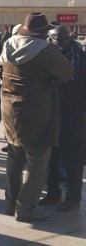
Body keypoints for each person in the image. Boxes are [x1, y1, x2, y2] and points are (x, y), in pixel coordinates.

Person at [0, 13, 74, 222]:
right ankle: (25, 209)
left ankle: (10, 203)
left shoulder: (8, 45)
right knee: (38, 160)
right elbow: (68, 73)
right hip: (36, 112)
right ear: (43, 33)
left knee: (14, 157)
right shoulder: (46, 50)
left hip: (9, 111)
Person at [39, 26, 86, 212]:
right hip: (50, 113)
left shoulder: (80, 58)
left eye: (63, 39)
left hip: (74, 116)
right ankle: (52, 193)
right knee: (51, 157)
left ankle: (73, 197)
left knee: (73, 160)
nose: (60, 43)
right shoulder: (47, 59)